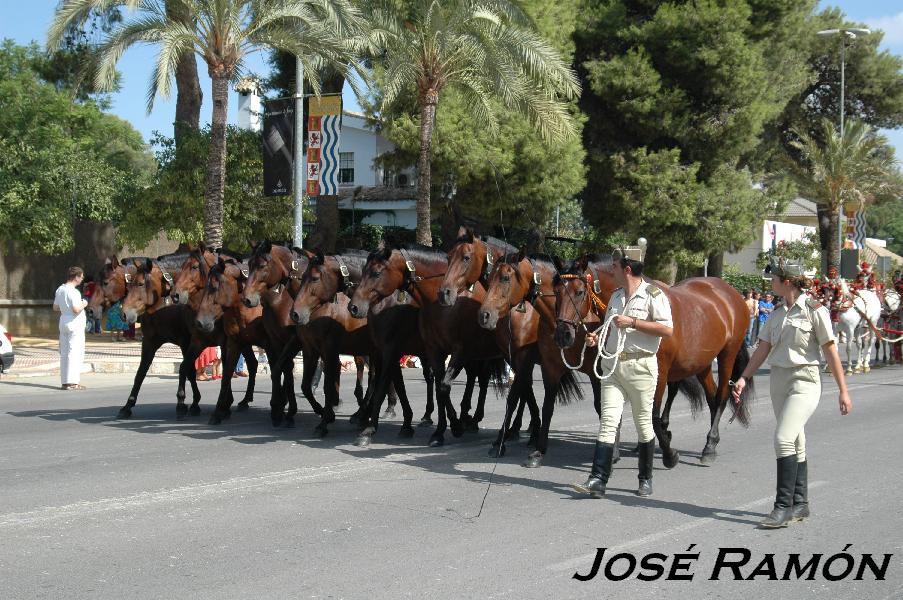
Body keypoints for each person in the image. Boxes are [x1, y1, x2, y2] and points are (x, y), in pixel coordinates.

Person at [732, 258, 851, 528]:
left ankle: (782, 507)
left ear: (787, 282)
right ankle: (801, 503)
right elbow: (762, 349)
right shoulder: (775, 313)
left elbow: (831, 351)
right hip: (779, 380)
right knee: (796, 441)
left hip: (804, 380)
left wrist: (843, 391)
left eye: (773, 279)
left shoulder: (814, 311)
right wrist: (743, 377)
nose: (770, 283)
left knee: (783, 437)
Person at [573, 240, 673, 498]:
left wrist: (634, 322)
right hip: (613, 365)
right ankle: (597, 479)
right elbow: (610, 326)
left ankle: (645, 477)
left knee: (643, 424)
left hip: (641, 365)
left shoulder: (653, 295)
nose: (612, 269)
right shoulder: (616, 296)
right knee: (608, 421)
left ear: (627, 269)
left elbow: (666, 329)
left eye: (615, 265)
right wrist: (597, 338)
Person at [53, 266, 88, 390]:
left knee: (65, 352)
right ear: (76, 277)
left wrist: (64, 308)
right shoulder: (74, 291)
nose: (82, 279)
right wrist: (84, 303)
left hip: (64, 321)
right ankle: (72, 382)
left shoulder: (60, 289)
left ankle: (65, 381)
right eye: (81, 276)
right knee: (75, 352)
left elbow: (55, 307)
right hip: (74, 323)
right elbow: (76, 309)